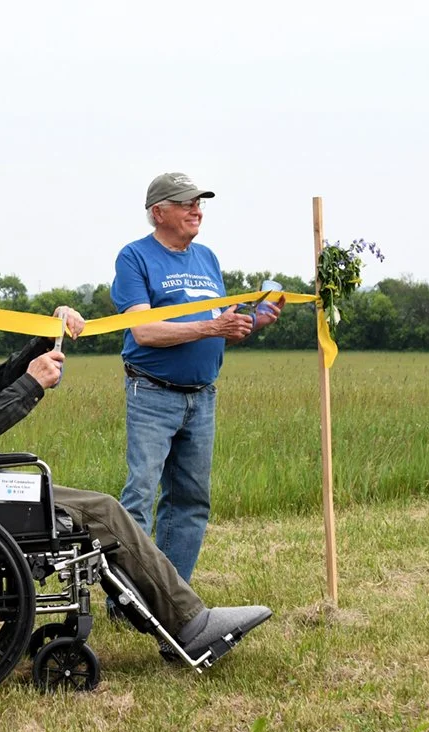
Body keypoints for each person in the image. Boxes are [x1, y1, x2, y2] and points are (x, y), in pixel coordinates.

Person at [0, 296, 272, 665]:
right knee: (103, 511)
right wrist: (33, 384)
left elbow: (2, 377)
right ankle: (191, 624)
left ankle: (175, 621)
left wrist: (51, 332)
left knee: (95, 509)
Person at [111, 172, 283, 585]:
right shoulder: (134, 257)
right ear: (158, 212)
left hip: (202, 396)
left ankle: (173, 595)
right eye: (186, 202)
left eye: (199, 202)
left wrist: (250, 322)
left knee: (190, 501)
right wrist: (212, 329)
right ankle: (125, 597)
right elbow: (144, 331)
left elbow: (216, 324)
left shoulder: (206, 258)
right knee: (139, 498)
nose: (196, 209)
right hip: (152, 392)